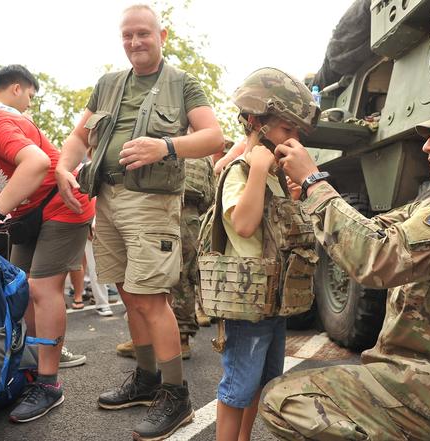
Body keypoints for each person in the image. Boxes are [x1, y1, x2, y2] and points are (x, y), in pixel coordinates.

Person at [259, 92, 430, 440]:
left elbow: (376, 259)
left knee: (284, 401)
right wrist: (309, 198)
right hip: (410, 380)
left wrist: (315, 182)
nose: (427, 146)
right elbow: (369, 232)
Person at [55, 5, 223, 439]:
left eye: (143, 34)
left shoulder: (183, 83)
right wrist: (63, 168)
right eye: (127, 36)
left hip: (151, 202)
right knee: (129, 295)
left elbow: (214, 136)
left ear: (161, 35)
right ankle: (147, 379)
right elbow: (78, 137)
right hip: (106, 198)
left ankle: (176, 394)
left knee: (151, 299)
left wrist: (164, 147)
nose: (134, 43)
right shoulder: (108, 85)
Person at [0, 98, 94, 423]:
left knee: (42, 288)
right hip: (27, 216)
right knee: (19, 289)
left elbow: (36, 163)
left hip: (63, 203)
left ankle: (50, 384)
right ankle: (36, 366)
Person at [209, 68, 319, 441]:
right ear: (257, 122)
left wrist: (293, 199)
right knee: (237, 386)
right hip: (247, 304)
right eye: (288, 130)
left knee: (261, 382)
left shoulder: (271, 175)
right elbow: (242, 225)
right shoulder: (242, 171)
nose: (294, 140)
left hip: (273, 302)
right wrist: (256, 171)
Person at [0, 64, 87, 370]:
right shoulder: (4, 117)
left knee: (29, 287)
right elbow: (35, 164)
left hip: (37, 209)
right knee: (34, 288)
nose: (28, 104)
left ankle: (38, 362)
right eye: (29, 95)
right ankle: (39, 358)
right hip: (25, 209)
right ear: (16, 88)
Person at [116, 155, 215, 359]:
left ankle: (150, 339)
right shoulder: (202, 156)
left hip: (160, 213)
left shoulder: (159, 146)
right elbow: (209, 196)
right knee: (184, 278)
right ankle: (178, 338)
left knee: (157, 276)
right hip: (190, 216)